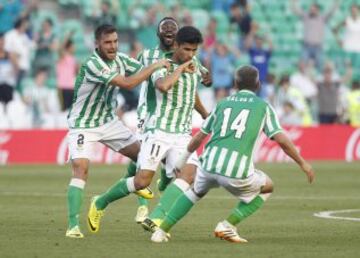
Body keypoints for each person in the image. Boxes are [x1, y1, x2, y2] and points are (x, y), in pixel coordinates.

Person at [150, 65, 315, 243]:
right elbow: (281, 139)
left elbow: (199, 136)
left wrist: (181, 161)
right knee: (267, 187)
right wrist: (303, 163)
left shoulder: (222, 103)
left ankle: (160, 232)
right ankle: (228, 225)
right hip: (236, 171)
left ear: (235, 84)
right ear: (258, 85)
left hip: (208, 165)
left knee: (194, 192)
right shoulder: (264, 107)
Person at [86, 26, 208, 234]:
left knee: (189, 175)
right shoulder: (162, 64)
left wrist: (206, 114)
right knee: (142, 181)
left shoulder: (194, 64)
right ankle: (100, 202)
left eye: (194, 51)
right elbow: (163, 86)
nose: (190, 55)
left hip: (181, 134)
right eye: (187, 49)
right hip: (158, 130)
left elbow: (191, 90)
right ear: (176, 45)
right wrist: (180, 69)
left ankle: (156, 218)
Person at [65, 24, 169, 239]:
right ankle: (73, 225)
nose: (112, 46)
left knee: (144, 156)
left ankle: (129, 204)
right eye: (107, 42)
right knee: (81, 169)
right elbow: (129, 83)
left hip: (108, 121)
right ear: (97, 44)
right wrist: (156, 66)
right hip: (83, 123)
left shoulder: (121, 59)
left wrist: (171, 68)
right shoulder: (93, 64)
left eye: (115, 41)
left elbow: (144, 68)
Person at [125, 17, 212, 224]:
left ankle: (162, 184)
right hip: (149, 113)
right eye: (165, 28)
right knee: (141, 159)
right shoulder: (149, 55)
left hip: (175, 119)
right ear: (158, 33)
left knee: (161, 160)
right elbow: (135, 75)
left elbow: (199, 81)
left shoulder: (187, 56)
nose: (169, 31)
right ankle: (143, 207)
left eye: (173, 29)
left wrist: (207, 79)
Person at [291, 0, 340, 70]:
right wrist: (293, 2)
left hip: (318, 47)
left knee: (320, 67)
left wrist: (336, 2)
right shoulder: (306, 17)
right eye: (310, 9)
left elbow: (331, 11)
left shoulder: (322, 18)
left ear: (317, 10)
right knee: (302, 66)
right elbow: (296, 11)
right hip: (306, 46)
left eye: (313, 9)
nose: (311, 10)